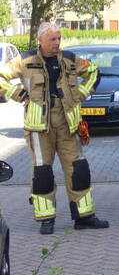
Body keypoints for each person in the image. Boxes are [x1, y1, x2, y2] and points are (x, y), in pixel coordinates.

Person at [0, 23, 108, 234]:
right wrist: (19, 95)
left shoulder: (69, 59)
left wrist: (80, 95)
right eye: (52, 39)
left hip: (68, 125)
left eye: (59, 38)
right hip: (39, 128)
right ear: (40, 40)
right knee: (42, 173)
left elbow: (94, 72)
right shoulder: (25, 60)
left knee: (79, 170)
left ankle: (84, 216)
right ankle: (46, 219)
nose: (57, 43)